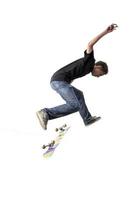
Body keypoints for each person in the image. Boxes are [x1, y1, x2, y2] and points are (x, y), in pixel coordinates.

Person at [36, 23, 118, 130]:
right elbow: (90, 44)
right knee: (75, 105)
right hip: (59, 81)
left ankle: (87, 118)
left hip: (60, 81)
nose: (98, 77)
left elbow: (72, 73)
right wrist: (106, 32)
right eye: (100, 74)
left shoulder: (86, 69)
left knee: (79, 95)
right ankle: (46, 112)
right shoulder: (90, 61)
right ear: (98, 67)